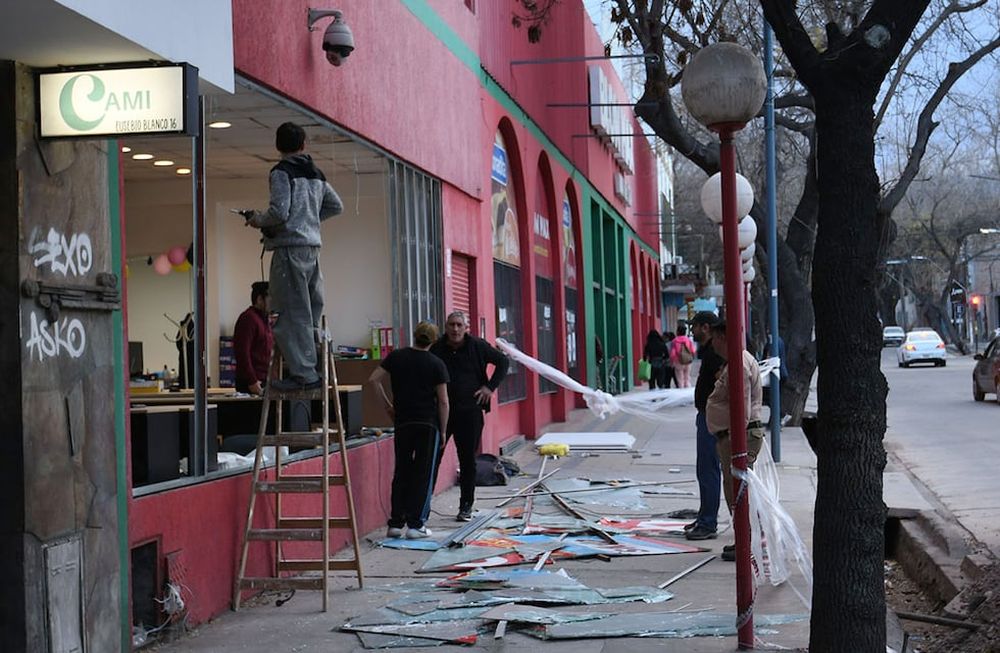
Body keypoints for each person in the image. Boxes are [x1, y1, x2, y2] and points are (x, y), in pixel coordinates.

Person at [242, 122, 343, 392]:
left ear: (277, 146)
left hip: (289, 251)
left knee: (288, 312)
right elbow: (336, 206)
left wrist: (256, 220)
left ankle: (303, 374)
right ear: (304, 144)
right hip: (312, 249)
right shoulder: (316, 174)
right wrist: (309, 221)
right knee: (311, 310)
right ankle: (317, 367)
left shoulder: (281, 172)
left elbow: (279, 212)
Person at [367, 322, 450, 539]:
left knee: (402, 471)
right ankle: (416, 524)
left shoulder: (397, 357)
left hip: (402, 421)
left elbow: (374, 380)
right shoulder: (437, 364)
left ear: (414, 336)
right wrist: (443, 429)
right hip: (427, 424)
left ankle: (395, 523)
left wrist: (388, 406)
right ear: (433, 340)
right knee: (423, 474)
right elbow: (443, 401)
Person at [430, 311, 510, 521]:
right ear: (445, 327)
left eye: (459, 325)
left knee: (467, 461)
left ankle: (466, 506)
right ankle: (422, 506)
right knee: (432, 459)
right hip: (441, 414)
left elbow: (503, 362)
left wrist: (489, 387)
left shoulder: (478, 346)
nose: (455, 329)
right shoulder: (437, 348)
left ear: (466, 328)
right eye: (451, 325)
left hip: (470, 412)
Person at [706, 320, 765, 561]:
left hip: (738, 437)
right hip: (733, 436)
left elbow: (741, 409)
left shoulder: (739, 363)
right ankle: (742, 539)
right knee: (734, 491)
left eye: (715, 339)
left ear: (723, 337)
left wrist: (736, 442)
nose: (713, 345)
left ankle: (745, 542)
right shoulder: (737, 361)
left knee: (738, 492)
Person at [685, 311, 725, 542]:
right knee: (705, 470)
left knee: (709, 469)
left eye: (696, 327)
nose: (692, 331)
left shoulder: (715, 353)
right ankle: (704, 517)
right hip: (708, 416)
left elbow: (723, 382)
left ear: (707, 327)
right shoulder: (710, 351)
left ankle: (708, 522)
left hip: (713, 418)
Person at [233, 281, 274, 395]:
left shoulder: (265, 321)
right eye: (270, 298)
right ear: (260, 299)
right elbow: (242, 353)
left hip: (265, 380)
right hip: (252, 384)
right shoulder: (248, 319)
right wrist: (252, 380)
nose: (274, 302)